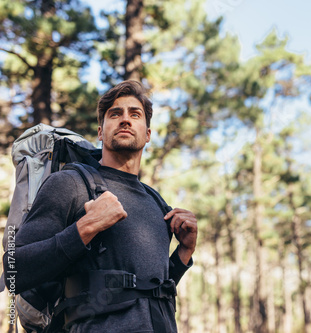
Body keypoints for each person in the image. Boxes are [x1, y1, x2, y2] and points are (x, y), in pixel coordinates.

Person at [5, 80, 198, 332]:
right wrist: (84, 228)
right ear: (100, 131)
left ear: (148, 134)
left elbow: (152, 292)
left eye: (134, 114)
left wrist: (184, 252)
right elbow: (14, 271)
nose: (125, 120)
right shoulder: (70, 184)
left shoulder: (157, 202)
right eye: (115, 114)